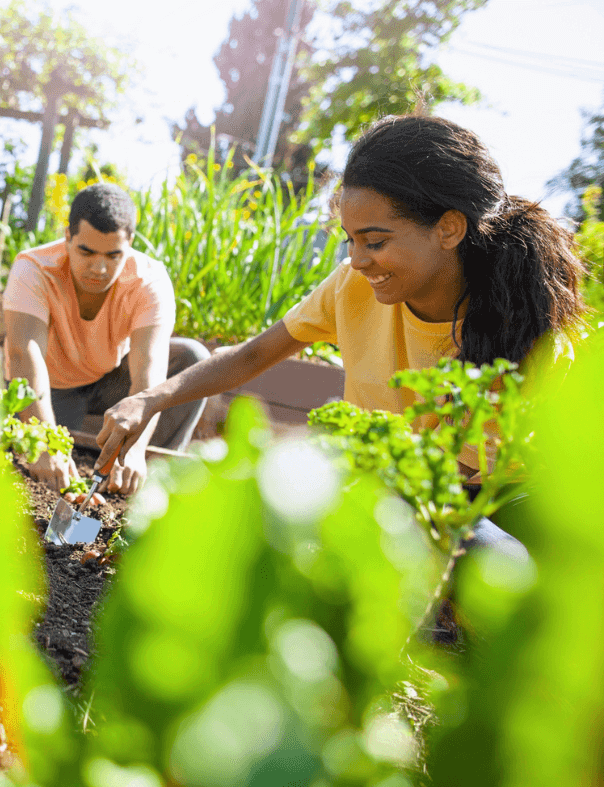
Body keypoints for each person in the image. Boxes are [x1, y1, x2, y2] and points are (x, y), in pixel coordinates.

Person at [95, 115, 588, 556]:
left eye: (375, 241)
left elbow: (444, 483)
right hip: (394, 492)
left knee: (506, 565)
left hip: (490, 498)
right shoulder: (354, 289)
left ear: (449, 228)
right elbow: (253, 355)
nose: (356, 260)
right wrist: (148, 400)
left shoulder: (519, 327)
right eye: (350, 240)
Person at [4, 182, 210, 497]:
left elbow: (150, 369)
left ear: (129, 244)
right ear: (68, 237)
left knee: (191, 359)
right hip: (53, 387)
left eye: (113, 255)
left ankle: (146, 485)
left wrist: (136, 448)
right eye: (86, 252)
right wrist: (44, 439)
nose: (99, 268)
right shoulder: (33, 268)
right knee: (34, 474)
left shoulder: (148, 280)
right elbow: (23, 354)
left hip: (109, 381)